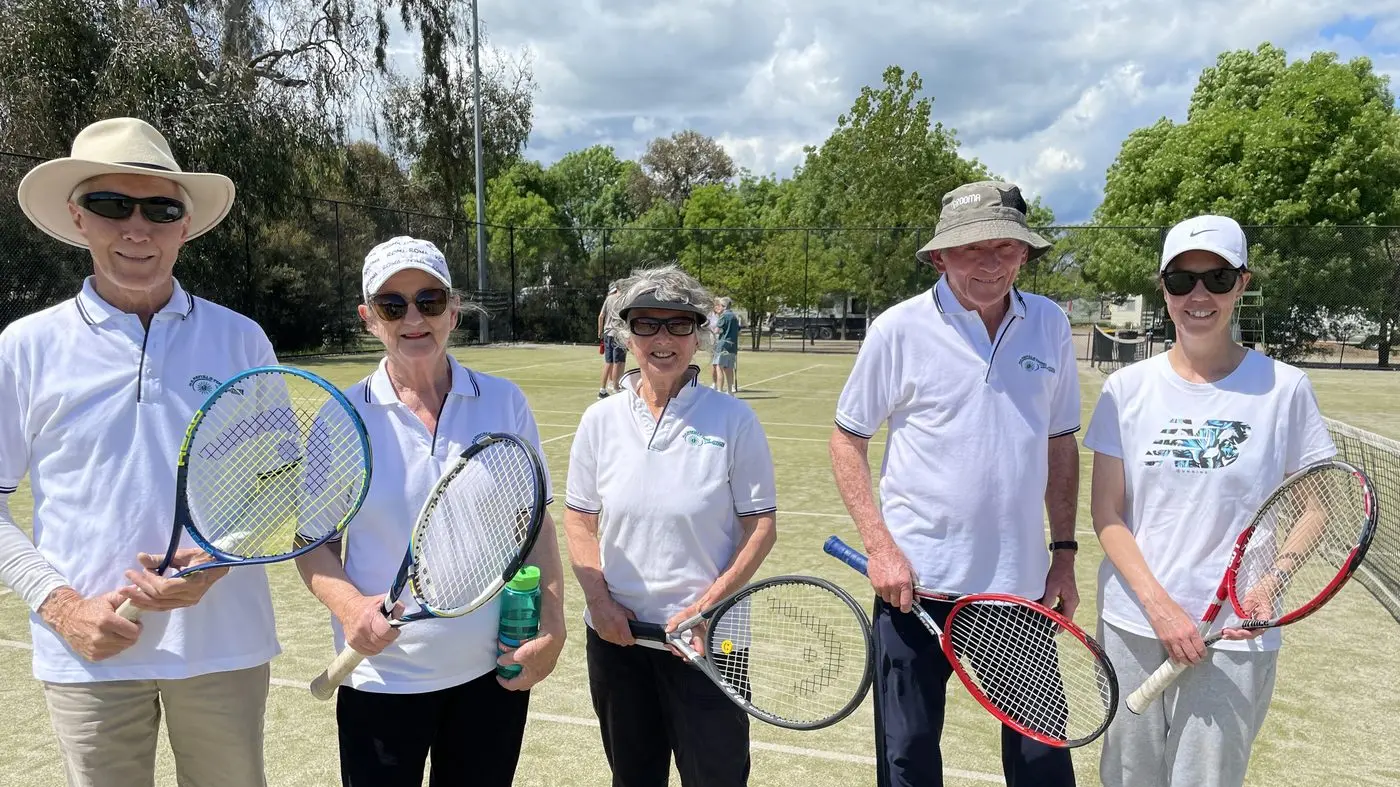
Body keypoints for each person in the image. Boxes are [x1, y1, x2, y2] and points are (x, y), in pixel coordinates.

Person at [0, 117, 279, 786]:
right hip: (88, 653)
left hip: (223, 646)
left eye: (160, 208)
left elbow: (280, 480)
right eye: (110, 204)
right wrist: (63, 606)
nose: (136, 227)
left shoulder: (242, 341)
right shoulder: (26, 347)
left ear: (184, 224)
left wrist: (218, 560)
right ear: (77, 218)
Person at [829, 180, 1082, 787]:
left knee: (1043, 766)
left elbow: (1060, 442)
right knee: (908, 761)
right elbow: (847, 440)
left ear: (1025, 254)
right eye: (972, 249)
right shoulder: (898, 329)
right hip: (913, 590)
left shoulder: (1049, 324)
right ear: (941, 257)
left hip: (1015, 593)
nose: (991, 263)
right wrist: (882, 548)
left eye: (1005, 246)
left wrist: (1064, 556)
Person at [296, 236, 567, 787]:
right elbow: (315, 545)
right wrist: (351, 609)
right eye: (393, 305)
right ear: (368, 318)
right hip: (382, 681)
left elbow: (531, 523)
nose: (413, 317)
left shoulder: (504, 401)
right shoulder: (341, 416)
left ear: (454, 309)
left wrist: (555, 625)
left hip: (491, 674)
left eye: (430, 300)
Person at [1086, 215, 1335, 787]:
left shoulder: (1285, 388)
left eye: (1217, 279)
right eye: (1182, 281)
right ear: (1163, 287)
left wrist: (1272, 581)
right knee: (1128, 780)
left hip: (1236, 637)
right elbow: (1108, 515)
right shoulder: (1127, 390)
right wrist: (1163, 609)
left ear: (1242, 284)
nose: (1199, 296)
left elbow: (1318, 505)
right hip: (1135, 626)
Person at [563, 265, 778, 787]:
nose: (663, 339)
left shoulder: (734, 419)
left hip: (709, 645)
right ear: (625, 334)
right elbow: (579, 520)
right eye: (646, 324)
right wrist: (600, 603)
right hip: (619, 641)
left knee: (717, 777)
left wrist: (705, 609)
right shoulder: (600, 421)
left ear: (699, 335)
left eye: (679, 325)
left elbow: (760, 527)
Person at [598, 281, 627, 398]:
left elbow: (601, 316)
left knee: (608, 362)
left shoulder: (609, 298)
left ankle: (602, 389)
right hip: (618, 333)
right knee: (617, 362)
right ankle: (616, 387)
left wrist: (600, 331)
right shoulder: (623, 300)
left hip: (607, 332)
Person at [712, 297, 742, 394]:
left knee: (719, 367)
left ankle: (720, 391)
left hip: (723, 344)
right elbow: (738, 330)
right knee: (729, 368)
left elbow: (717, 330)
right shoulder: (734, 316)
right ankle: (730, 391)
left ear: (724, 306)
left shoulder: (724, 316)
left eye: (720, 305)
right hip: (733, 346)